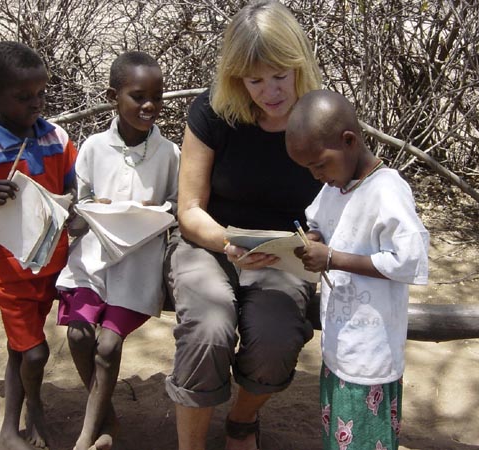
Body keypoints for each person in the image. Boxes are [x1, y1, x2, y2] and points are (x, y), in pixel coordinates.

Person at [163, 1, 323, 449]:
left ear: (299, 65)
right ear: (237, 77)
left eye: (279, 75)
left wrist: (315, 241)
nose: (270, 91)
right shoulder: (213, 113)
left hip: (284, 256)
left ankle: (241, 420)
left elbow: (342, 202)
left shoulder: (320, 117)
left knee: (275, 338)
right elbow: (190, 209)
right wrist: (229, 242)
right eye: (255, 80)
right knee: (208, 329)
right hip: (211, 243)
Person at [285, 90, 430, 450]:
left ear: (348, 141)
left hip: (372, 352)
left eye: (320, 164)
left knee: (364, 439)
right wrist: (313, 238)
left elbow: (409, 259)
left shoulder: (386, 190)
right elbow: (319, 220)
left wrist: (332, 258)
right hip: (342, 344)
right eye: (309, 170)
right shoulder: (337, 186)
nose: (318, 175)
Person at [0, 41, 78, 450]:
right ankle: (34, 413)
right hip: (8, 270)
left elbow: (73, 186)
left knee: (19, 348)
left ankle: (9, 426)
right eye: (23, 97)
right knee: (35, 353)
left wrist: (71, 204)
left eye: (41, 93)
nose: (36, 103)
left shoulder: (57, 137)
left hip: (51, 264)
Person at [55, 50, 180, 450]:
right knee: (77, 335)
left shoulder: (170, 154)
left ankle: (88, 435)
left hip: (139, 264)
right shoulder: (92, 147)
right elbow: (81, 204)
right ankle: (105, 416)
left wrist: (158, 212)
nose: (149, 106)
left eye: (157, 98)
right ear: (113, 96)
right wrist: (81, 211)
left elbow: (179, 207)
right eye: (138, 97)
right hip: (93, 259)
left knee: (107, 345)